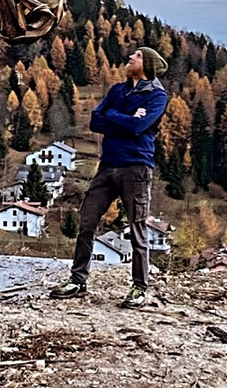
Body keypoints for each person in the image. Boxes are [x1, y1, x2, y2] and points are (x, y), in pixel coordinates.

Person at [49, 46, 168, 307]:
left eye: (135, 56)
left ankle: (139, 288)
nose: (129, 58)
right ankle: (78, 281)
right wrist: (123, 117)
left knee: (137, 227)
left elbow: (139, 127)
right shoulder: (117, 91)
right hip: (107, 166)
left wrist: (117, 119)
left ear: (146, 64)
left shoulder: (157, 96)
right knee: (87, 221)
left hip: (136, 167)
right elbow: (96, 121)